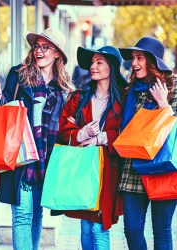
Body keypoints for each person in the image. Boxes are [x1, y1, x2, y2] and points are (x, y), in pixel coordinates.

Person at [0, 27, 74, 250]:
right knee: (22, 215)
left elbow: (65, 124)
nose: (39, 51)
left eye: (45, 47)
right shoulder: (19, 75)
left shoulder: (63, 86)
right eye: (36, 47)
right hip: (21, 157)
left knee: (37, 214)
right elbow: (1, 112)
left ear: (57, 53)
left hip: (48, 160)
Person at [55, 45, 127, 249]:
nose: (93, 66)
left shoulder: (123, 99)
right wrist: (81, 133)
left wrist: (102, 138)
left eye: (99, 62)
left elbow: (128, 133)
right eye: (92, 62)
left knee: (99, 227)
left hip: (108, 172)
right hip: (82, 168)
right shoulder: (79, 97)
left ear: (111, 67)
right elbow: (63, 129)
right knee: (86, 226)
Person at [118, 36, 177, 250]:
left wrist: (163, 103)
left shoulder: (173, 87)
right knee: (132, 229)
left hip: (163, 167)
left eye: (139, 57)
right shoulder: (130, 90)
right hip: (133, 167)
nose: (134, 63)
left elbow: (174, 127)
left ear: (152, 61)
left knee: (161, 231)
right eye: (133, 58)